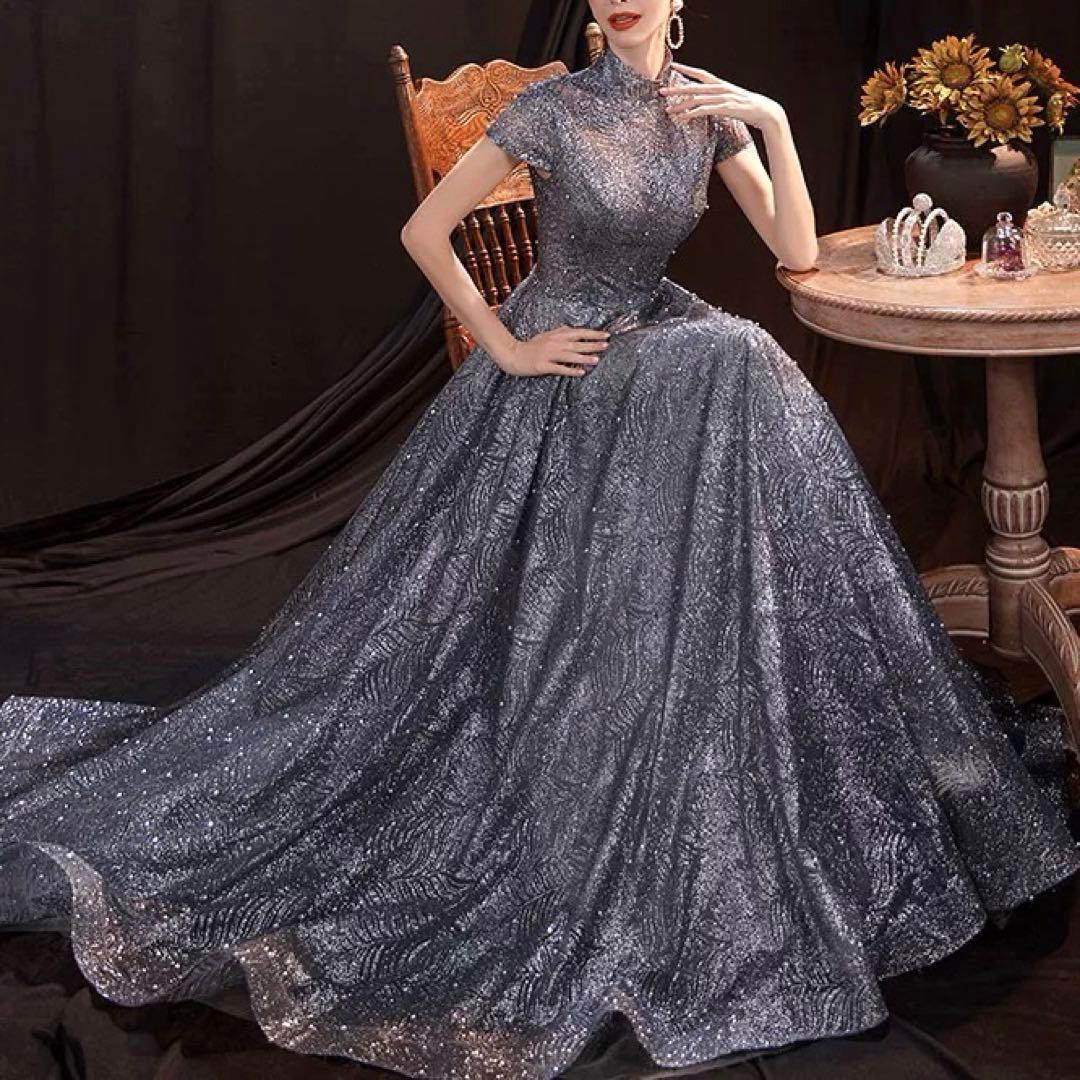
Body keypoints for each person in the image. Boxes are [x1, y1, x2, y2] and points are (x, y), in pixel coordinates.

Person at [2, 1, 1078, 1077]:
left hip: (656, 346)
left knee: (737, 359)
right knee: (738, 361)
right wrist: (506, 347)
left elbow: (796, 249)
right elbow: (425, 232)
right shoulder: (554, 111)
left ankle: (712, 675)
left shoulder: (708, 111)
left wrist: (775, 122)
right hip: (568, 360)